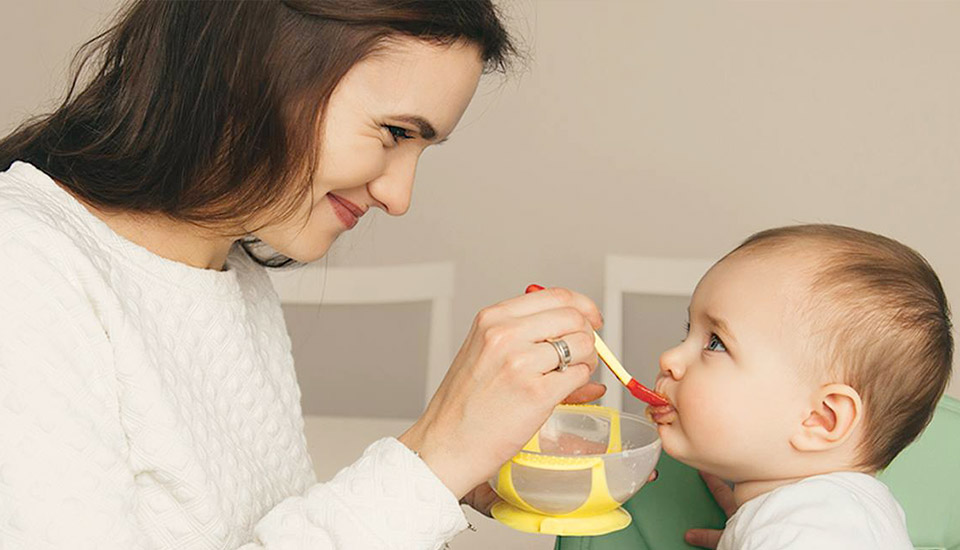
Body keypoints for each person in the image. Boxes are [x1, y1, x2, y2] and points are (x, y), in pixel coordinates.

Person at [0, 2, 610, 548]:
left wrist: (455, 469)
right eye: (395, 132)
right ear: (252, 67)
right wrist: (431, 459)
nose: (400, 196)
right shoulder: (22, 263)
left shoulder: (230, 266)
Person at [649, 224, 953, 549]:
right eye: (688, 332)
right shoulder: (827, 519)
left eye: (716, 343)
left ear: (821, 419)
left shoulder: (806, 533)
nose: (670, 357)